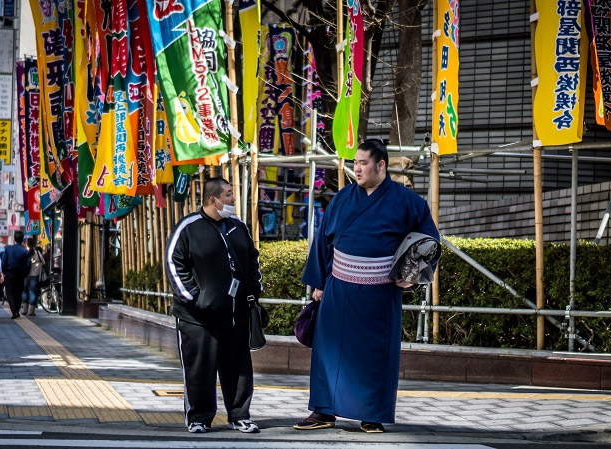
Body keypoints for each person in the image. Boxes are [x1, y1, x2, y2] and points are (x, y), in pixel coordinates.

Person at [294, 139, 439, 433]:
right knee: (328, 352)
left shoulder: (408, 201)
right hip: (338, 289)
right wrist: (318, 283)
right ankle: (323, 411)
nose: (356, 169)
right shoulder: (343, 198)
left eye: (362, 163)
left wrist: (411, 276)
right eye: (355, 163)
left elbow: (428, 242)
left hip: (379, 292)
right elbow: (323, 241)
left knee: (376, 354)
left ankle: (371, 414)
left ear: (380, 165)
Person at [166, 177, 262, 434]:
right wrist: (196, 299)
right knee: (199, 370)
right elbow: (174, 265)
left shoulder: (238, 226)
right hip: (198, 318)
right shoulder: (188, 227)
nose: (233, 199)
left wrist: (254, 289)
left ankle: (239, 415)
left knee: (239, 369)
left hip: (236, 315)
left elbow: (252, 260)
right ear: (213, 200)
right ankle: (198, 418)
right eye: (229, 194)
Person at [1, 231, 30, 319]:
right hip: (20, 274)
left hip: (9, 274)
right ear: (22, 240)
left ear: (14, 239)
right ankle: (17, 310)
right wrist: (25, 274)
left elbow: (3, 262)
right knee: (18, 293)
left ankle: (14, 311)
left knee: (9, 293)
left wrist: (4, 271)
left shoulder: (8, 249)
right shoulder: (25, 251)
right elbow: (28, 265)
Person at [21, 238, 44, 316]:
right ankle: (31, 311)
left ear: (26, 244)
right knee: (33, 291)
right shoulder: (37, 252)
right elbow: (43, 262)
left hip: (25, 275)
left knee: (24, 291)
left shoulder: (24, 252)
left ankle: (24, 310)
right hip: (35, 275)